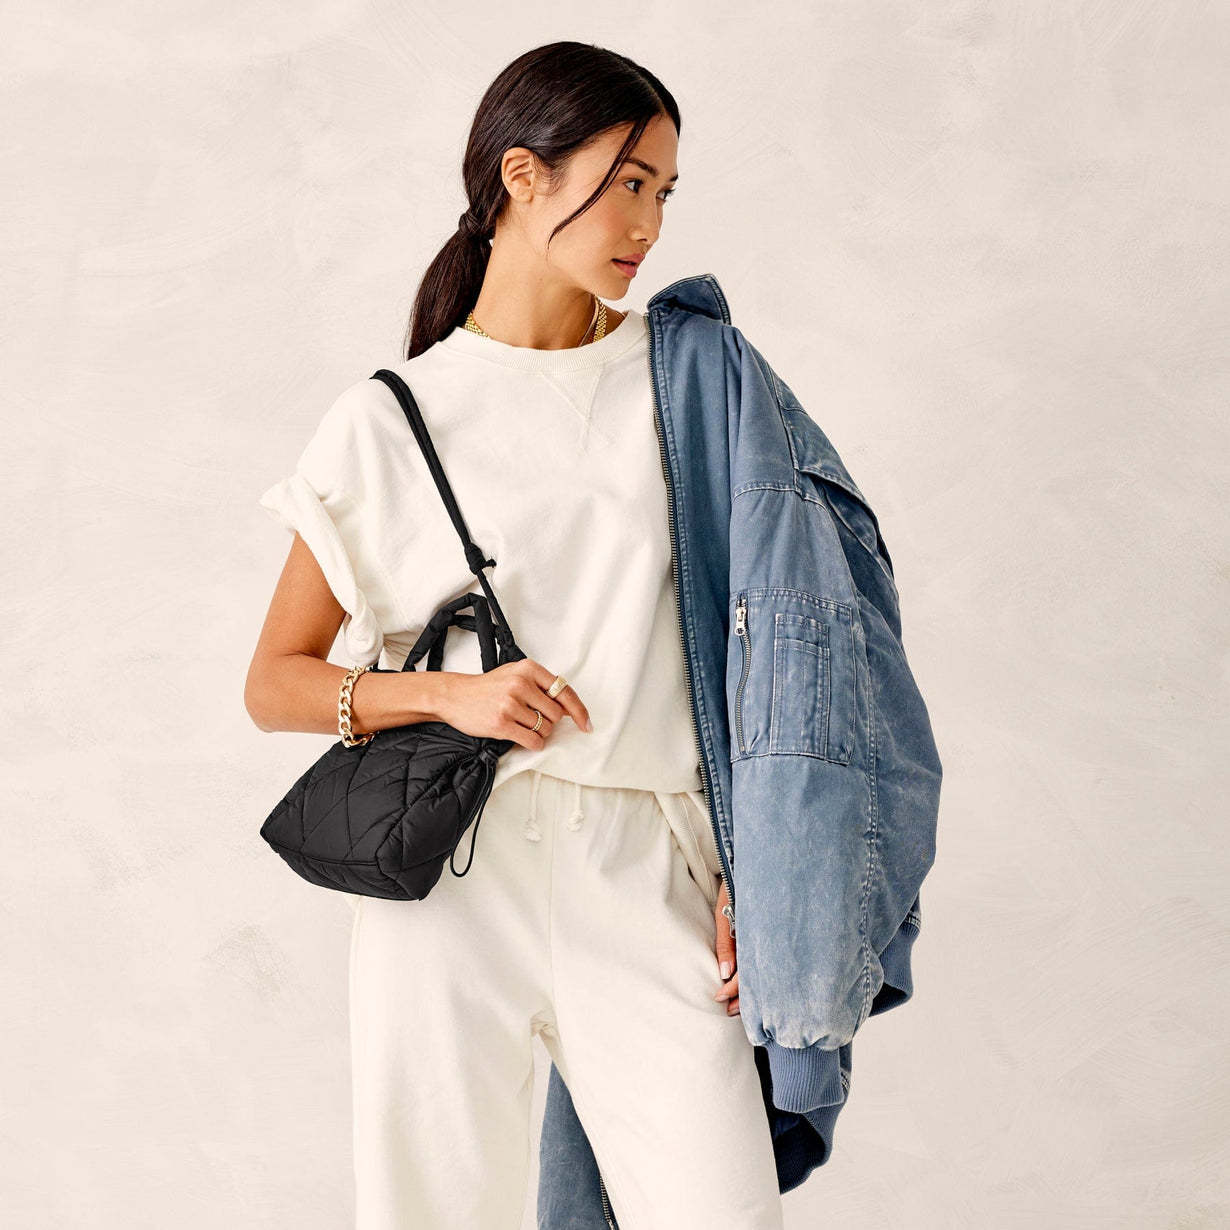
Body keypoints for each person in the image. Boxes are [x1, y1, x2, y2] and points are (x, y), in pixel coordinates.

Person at [244, 40, 785, 1230]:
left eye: (664, 191)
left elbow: (777, 643)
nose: (648, 223)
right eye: (628, 182)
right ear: (523, 176)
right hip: (450, 880)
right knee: (433, 1210)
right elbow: (274, 683)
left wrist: (757, 860)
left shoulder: (688, 382)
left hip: (648, 860)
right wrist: (448, 697)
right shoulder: (390, 420)